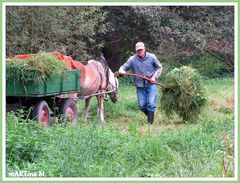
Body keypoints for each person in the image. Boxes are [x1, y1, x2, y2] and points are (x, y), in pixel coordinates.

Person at [118, 42, 163, 124]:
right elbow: (123, 67)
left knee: (151, 103)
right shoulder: (132, 59)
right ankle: (150, 116)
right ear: (136, 51)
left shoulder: (152, 57)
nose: (140, 51)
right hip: (140, 86)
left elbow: (159, 67)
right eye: (138, 50)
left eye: (141, 50)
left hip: (151, 84)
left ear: (144, 49)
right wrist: (121, 70)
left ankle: (150, 123)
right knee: (142, 106)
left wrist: (154, 77)